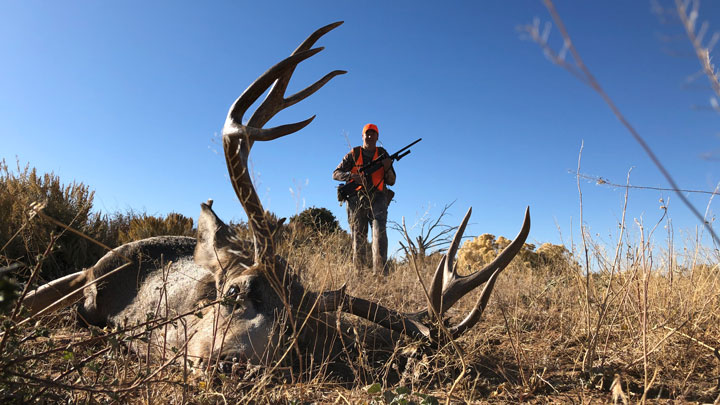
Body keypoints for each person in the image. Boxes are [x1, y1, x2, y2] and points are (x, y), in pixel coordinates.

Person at [333, 123, 396, 274]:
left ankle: (381, 275)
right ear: (362, 136)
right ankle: (358, 274)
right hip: (355, 200)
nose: (370, 136)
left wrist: (387, 167)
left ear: (377, 137)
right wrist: (351, 176)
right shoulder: (353, 153)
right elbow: (336, 173)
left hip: (378, 199)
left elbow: (392, 181)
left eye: (373, 134)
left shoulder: (383, 153)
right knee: (358, 237)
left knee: (379, 233)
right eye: (367, 134)